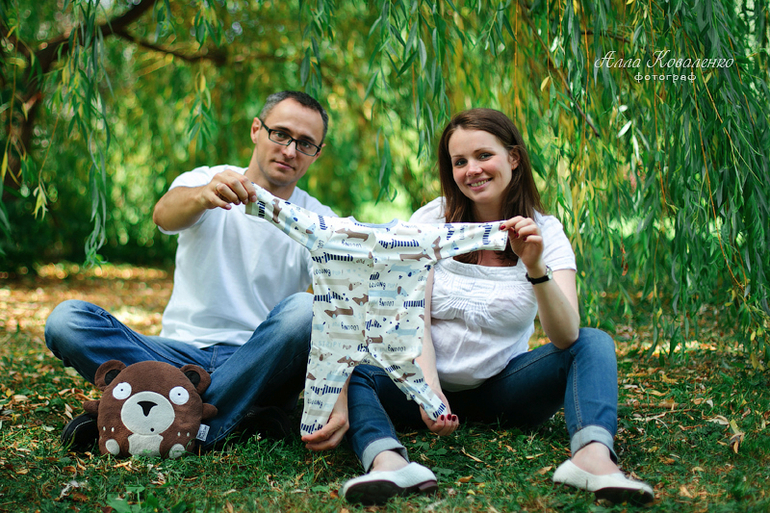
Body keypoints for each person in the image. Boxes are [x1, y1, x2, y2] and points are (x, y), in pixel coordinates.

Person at [339, 108, 655, 506]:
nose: (472, 170)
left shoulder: (546, 231)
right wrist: (427, 391)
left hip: (502, 389)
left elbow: (565, 336)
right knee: (355, 370)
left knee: (592, 343)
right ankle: (388, 463)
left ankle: (592, 460)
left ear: (513, 157)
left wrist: (535, 267)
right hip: (418, 387)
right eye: (459, 161)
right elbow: (412, 316)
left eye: (483, 155)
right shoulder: (431, 220)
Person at [45, 91, 349, 453]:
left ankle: (161, 418)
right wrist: (204, 195)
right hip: (177, 359)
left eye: (305, 143)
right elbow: (163, 216)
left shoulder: (320, 221)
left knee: (304, 310)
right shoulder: (207, 180)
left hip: (258, 361)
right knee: (67, 321)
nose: (289, 150)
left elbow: (339, 310)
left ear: (318, 152)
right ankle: (232, 418)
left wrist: (340, 394)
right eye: (281, 134)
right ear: (256, 130)